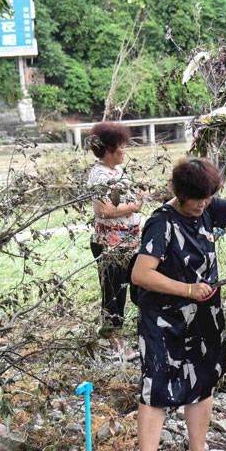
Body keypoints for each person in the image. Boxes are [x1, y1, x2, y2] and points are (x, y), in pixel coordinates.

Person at [127, 157, 226, 451]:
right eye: (197, 199)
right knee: (156, 387)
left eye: (208, 198)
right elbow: (141, 274)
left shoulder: (207, 206)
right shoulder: (161, 223)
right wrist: (187, 289)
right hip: (164, 317)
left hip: (203, 314)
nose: (204, 205)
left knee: (203, 379)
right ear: (180, 193)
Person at [86, 121, 143, 359]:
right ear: (107, 149)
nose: (123, 151)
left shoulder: (119, 172)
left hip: (131, 242)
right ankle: (116, 345)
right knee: (113, 295)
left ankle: (143, 333)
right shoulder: (98, 175)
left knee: (141, 287)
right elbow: (105, 211)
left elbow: (134, 194)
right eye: (119, 146)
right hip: (111, 246)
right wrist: (134, 206)